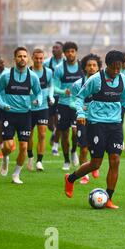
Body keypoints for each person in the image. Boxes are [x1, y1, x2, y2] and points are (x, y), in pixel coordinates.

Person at [64, 50, 125, 209]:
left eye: (120, 67)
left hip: (116, 125)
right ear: (108, 65)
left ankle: (109, 198)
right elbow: (79, 97)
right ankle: (70, 178)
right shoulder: (96, 80)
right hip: (96, 124)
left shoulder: (123, 79)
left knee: (115, 160)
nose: (117, 70)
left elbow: (124, 99)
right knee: (96, 163)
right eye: (115, 67)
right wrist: (81, 113)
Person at [0, 47, 42, 184]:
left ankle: (16, 174)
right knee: (8, 146)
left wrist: (38, 100)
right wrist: (2, 104)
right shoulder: (6, 76)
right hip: (9, 115)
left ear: (28, 59)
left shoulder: (32, 77)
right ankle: (5, 157)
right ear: (14, 59)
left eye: (25, 56)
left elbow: (38, 92)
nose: (22, 58)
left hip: (25, 115)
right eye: (19, 56)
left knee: (23, 148)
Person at [69, 53, 102, 184]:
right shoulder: (77, 84)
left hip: (98, 119)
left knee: (97, 146)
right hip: (83, 119)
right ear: (84, 68)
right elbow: (72, 101)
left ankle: (93, 164)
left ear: (99, 67)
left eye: (94, 65)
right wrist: (81, 108)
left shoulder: (102, 83)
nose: (92, 67)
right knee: (83, 148)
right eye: (89, 65)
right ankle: (84, 175)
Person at [54, 42, 83, 171]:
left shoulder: (82, 67)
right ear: (64, 53)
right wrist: (62, 91)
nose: (70, 53)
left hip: (77, 105)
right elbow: (54, 86)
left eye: (72, 51)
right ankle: (66, 160)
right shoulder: (60, 68)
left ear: (76, 52)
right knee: (64, 134)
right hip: (63, 105)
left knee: (76, 132)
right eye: (68, 51)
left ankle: (73, 151)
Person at [27, 49, 55, 172]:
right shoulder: (27, 72)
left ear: (43, 59)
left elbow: (51, 85)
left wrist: (51, 96)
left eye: (41, 58)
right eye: (36, 58)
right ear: (32, 58)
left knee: (42, 134)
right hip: (28, 108)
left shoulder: (48, 72)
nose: (39, 60)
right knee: (29, 135)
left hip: (43, 107)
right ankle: (30, 157)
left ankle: (39, 161)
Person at [44, 41, 65, 156]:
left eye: (56, 47)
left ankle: (56, 144)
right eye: (53, 47)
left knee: (59, 120)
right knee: (49, 124)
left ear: (62, 50)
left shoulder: (65, 64)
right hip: (49, 95)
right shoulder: (47, 63)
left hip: (61, 96)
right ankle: (54, 132)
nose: (54, 49)